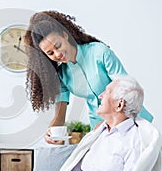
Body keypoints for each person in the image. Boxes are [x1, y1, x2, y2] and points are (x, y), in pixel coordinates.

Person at [24, 10, 153, 144]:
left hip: (131, 121)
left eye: (58, 46)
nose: (57, 54)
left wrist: (109, 122)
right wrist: (52, 132)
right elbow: (60, 115)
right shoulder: (62, 74)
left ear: (65, 35)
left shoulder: (98, 52)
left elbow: (127, 89)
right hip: (100, 130)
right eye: (50, 53)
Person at [54, 75, 162, 171]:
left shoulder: (134, 142)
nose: (100, 95)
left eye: (107, 91)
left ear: (119, 105)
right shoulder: (98, 134)